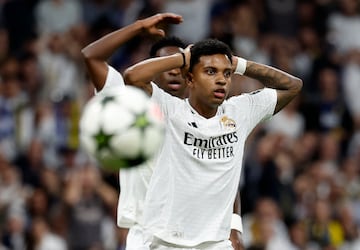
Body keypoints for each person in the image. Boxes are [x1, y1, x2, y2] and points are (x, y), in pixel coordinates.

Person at [81, 13, 244, 249]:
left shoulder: (212, 115)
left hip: (200, 238)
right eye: (168, 63)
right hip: (148, 236)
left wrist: (234, 228)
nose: (174, 70)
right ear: (153, 69)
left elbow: (226, 176)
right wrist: (138, 27)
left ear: (191, 75)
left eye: (182, 65)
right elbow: (91, 56)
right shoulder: (128, 100)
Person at [124, 37, 302, 248]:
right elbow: (132, 77)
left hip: (216, 242)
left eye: (226, 73)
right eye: (210, 71)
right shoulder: (169, 110)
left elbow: (293, 86)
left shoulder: (240, 111)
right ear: (189, 79)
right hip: (165, 241)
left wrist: (239, 64)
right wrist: (183, 58)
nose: (221, 80)